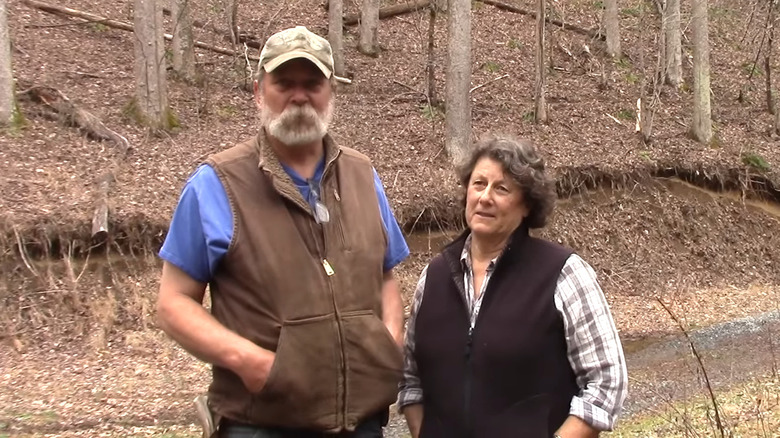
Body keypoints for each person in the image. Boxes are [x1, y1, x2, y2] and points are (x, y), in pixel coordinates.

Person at [156, 26, 410, 437]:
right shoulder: (217, 183)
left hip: (362, 422)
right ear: (259, 91)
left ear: (330, 93)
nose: (299, 96)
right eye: (284, 83)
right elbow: (173, 304)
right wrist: (252, 363)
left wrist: (390, 340)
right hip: (263, 422)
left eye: (312, 83)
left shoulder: (363, 176)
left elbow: (385, 276)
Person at [398, 135, 628, 438]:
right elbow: (410, 380)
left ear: (527, 205)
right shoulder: (434, 277)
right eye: (479, 184)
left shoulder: (563, 274)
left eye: (502, 188)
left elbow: (607, 382)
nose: (485, 197)